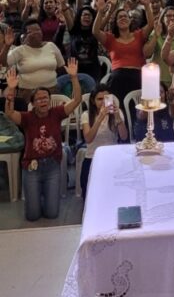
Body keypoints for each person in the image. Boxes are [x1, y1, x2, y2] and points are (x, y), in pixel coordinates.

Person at [3, 59, 81, 221]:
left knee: (52, 214)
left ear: (49, 100)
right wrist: (11, 89)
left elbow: (77, 100)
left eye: (45, 98)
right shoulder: (26, 118)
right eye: (38, 99)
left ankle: (45, 194)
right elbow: (9, 113)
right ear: (32, 103)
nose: (43, 101)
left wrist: (73, 78)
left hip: (52, 165)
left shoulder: (57, 113)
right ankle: (38, 196)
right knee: (32, 216)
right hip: (31, 168)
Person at [80, 85, 128, 197]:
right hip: (92, 156)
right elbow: (88, 139)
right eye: (99, 99)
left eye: (105, 98)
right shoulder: (86, 115)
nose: (102, 102)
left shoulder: (117, 112)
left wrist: (118, 118)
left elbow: (124, 137)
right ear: (93, 101)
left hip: (112, 156)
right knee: (89, 194)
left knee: (114, 192)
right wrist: (100, 118)